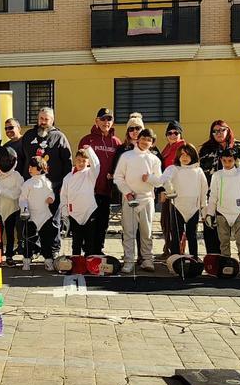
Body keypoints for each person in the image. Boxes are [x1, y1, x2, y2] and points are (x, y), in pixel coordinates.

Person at [20, 108, 72, 257]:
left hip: (53, 187)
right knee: (31, 220)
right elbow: (22, 159)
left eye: (46, 119)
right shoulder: (29, 136)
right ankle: (33, 250)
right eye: (41, 118)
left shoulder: (60, 137)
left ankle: (53, 250)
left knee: (53, 221)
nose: (43, 122)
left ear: (52, 120)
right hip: (31, 188)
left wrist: (64, 185)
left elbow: (68, 163)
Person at [113, 127, 161, 273]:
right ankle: (128, 261)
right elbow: (118, 177)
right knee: (129, 231)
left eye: (149, 140)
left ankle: (147, 259)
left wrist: (150, 178)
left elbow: (159, 181)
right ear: (137, 139)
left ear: (152, 143)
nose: (145, 142)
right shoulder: (126, 156)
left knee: (146, 232)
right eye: (143, 138)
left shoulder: (154, 159)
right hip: (130, 199)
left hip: (147, 199)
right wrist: (127, 193)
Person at [198, 119, 240, 254]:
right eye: (215, 131)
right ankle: (215, 262)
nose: (219, 133)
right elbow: (200, 175)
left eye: (222, 129)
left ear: (228, 130)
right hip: (212, 197)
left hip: (236, 200)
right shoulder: (205, 150)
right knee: (211, 230)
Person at [78, 108, 121, 255]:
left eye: (109, 119)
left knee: (103, 223)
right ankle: (88, 250)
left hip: (106, 190)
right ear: (96, 121)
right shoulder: (87, 140)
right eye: (103, 119)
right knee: (90, 222)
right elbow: (80, 164)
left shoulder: (116, 142)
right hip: (89, 190)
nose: (106, 122)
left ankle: (99, 250)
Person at [205, 147, 240, 275]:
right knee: (224, 242)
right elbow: (213, 196)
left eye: (230, 161)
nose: (227, 164)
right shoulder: (217, 175)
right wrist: (210, 213)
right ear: (221, 160)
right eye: (224, 160)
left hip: (239, 213)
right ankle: (226, 265)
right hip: (222, 213)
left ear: (235, 160)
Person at [159, 143, 208, 257]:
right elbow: (164, 179)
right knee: (176, 235)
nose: (185, 158)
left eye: (188, 155)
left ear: (193, 156)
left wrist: (203, 207)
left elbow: (204, 189)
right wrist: (169, 189)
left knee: (192, 235)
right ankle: (175, 260)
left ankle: (194, 259)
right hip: (177, 206)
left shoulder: (198, 171)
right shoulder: (174, 169)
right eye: (182, 155)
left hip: (193, 208)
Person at [60, 148, 99, 261]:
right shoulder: (68, 177)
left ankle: (89, 261)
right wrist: (65, 213)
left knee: (89, 240)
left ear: (88, 162)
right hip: (74, 213)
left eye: (84, 161)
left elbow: (96, 164)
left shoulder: (91, 174)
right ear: (74, 160)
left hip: (89, 211)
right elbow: (64, 196)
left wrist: (89, 151)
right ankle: (76, 261)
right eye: (78, 160)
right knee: (76, 240)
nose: (81, 163)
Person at [20, 156, 57, 271]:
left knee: (46, 239)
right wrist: (24, 209)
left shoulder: (46, 182)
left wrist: (51, 198)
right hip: (31, 216)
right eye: (29, 166)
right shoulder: (28, 183)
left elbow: (51, 193)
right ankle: (26, 260)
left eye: (32, 167)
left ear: (40, 168)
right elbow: (23, 199)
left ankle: (48, 260)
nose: (29, 168)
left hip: (45, 215)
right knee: (29, 239)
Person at [0, 149, 24, 263]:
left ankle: (9, 255)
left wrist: (1, 190)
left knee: (10, 233)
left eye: (8, 160)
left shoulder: (17, 176)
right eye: (3, 160)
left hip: (11, 208)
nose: (5, 162)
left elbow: (16, 194)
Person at [157, 121, 187, 259]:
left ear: (180, 134)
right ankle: (168, 247)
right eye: (170, 133)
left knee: (176, 221)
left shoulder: (184, 148)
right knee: (165, 220)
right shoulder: (166, 149)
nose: (173, 135)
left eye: (176, 132)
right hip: (166, 188)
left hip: (179, 190)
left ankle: (178, 250)